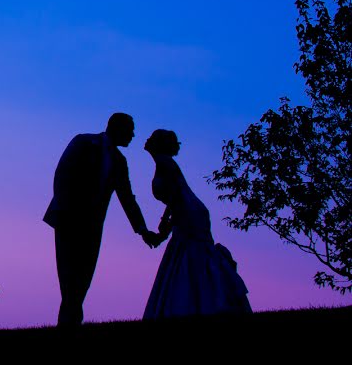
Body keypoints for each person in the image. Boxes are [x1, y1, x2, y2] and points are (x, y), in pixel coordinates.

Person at [43, 113, 160, 326]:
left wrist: (142, 230)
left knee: (83, 279)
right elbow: (62, 176)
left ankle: (68, 323)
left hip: (93, 226)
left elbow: (127, 197)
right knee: (69, 277)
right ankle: (70, 323)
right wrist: (69, 211)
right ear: (117, 128)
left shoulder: (119, 161)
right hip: (68, 220)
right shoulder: (83, 142)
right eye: (130, 130)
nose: (133, 135)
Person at [142, 129, 252, 320]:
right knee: (189, 254)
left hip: (190, 213)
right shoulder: (164, 163)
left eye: (152, 139)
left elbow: (176, 197)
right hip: (189, 210)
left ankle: (203, 302)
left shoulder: (164, 163)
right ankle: (202, 302)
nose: (145, 140)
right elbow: (174, 196)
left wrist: (165, 227)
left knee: (193, 254)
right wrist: (165, 222)